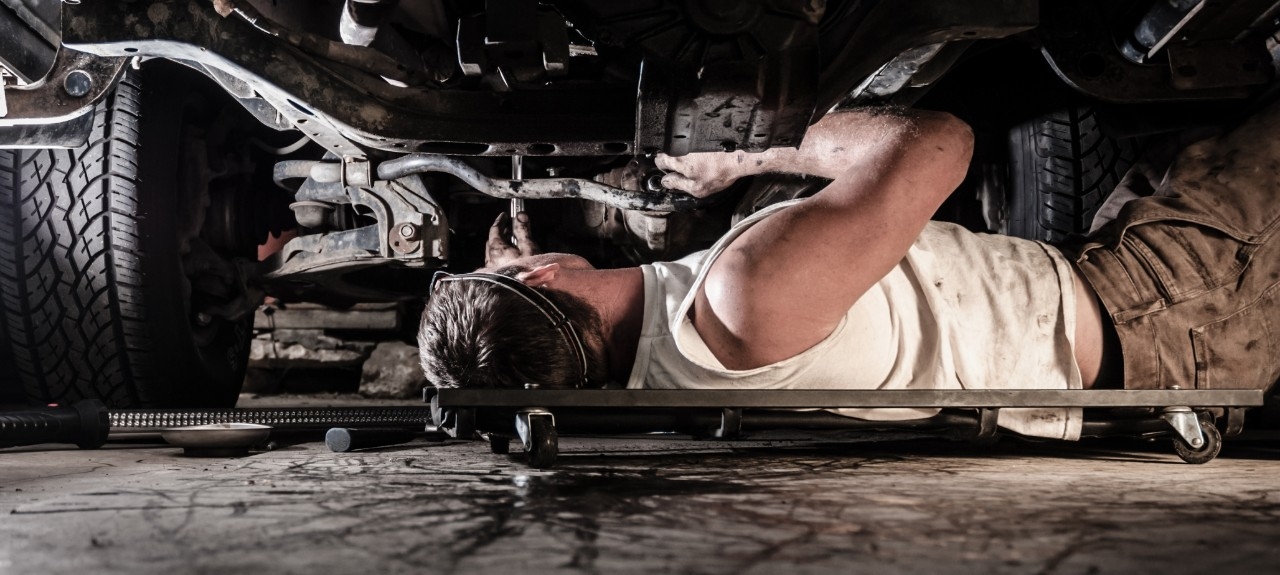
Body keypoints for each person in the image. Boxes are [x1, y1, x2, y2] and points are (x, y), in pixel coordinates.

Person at [419, 102, 1280, 440]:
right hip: (1169, 306)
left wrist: (513, 294)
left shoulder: (671, 367)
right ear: (537, 283)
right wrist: (748, 155)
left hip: (1110, 290)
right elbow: (943, 146)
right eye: (514, 269)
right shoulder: (740, 292)